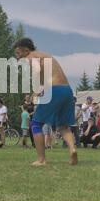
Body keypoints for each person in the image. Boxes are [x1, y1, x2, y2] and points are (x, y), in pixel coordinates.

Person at [14, 38, 77, 166]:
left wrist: (36, 91)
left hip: (54, 90)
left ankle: (41, 159)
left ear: (26, 50)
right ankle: (72, 149)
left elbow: (37, 70)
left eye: (18, 53)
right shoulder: (46, 55)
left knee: (36, 124)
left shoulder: (31, 56)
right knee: (63, 126)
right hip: (67, 91)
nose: (17, 57)